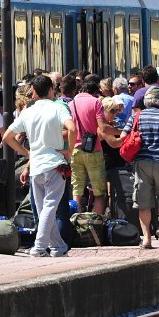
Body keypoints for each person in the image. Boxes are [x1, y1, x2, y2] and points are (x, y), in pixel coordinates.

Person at [2, 75, 76, 258]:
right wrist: (69, 151)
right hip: (55, 163)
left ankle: (58, 246)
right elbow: (73, 129)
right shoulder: (58, 108)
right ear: (51, 89)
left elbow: (7, 138)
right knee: (50, 207)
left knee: (43, 209)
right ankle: (39, 247)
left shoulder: (28, 112)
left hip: (36, 167)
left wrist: (28, 154)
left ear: (34, 92)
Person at [121, 86, 159, 247]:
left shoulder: (136, 117)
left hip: (142, 163)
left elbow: (123, 137)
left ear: (146, 102)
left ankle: (147, 238)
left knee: (144, 202)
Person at [69, 76, 108, 215]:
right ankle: (96, 225)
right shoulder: (96, 102)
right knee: (99, 192)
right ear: (94, 92)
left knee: (77, 190)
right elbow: (102, 127)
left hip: (75, 150)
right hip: (93, 151)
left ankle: (77, 222)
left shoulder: (71, 104)